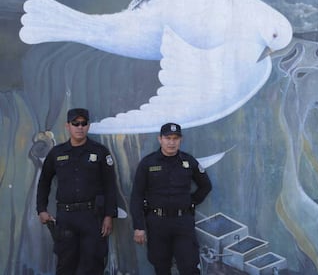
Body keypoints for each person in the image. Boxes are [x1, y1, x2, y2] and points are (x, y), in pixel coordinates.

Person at [36, 108, 118, 275]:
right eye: (75, 123)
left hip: (92, 217)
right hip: (66, 218)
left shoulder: (100, 152)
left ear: (88, 126)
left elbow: (110, 185)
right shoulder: (57, 153)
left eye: (83, 123)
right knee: (66, 264)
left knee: (93, 264)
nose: (80, 127)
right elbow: (44, 182)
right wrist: (42, 209)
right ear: (68, 126)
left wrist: (109, 215)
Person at [130, 122, 212, 275]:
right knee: (161, 267)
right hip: (157, 223)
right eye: (168, 138)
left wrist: (191, 202)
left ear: (180, 140)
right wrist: (139, 226)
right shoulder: (148, 163)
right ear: (160, 139)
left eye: (175, 138)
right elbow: (137, 196)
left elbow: (206, 186)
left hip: (183, 223)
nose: (171, 142)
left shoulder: (188, 161)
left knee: (189, 268)